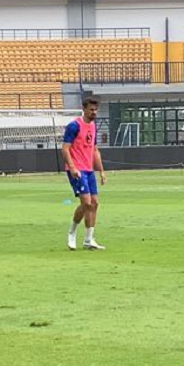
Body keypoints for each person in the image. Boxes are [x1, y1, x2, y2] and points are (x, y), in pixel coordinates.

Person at [64, 97, 107, 251]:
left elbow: (94, 150)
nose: (94, 112)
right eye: (91, 109)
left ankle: (89, 240)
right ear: (84, 109)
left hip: (88, 169)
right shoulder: (74, 126)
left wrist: (101, 171)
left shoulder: (93, 126)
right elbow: (65, 148)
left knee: (94, 203)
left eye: (95, 110)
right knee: (86, 203)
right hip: (77, 169)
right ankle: (72, 233)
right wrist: (72, 167)